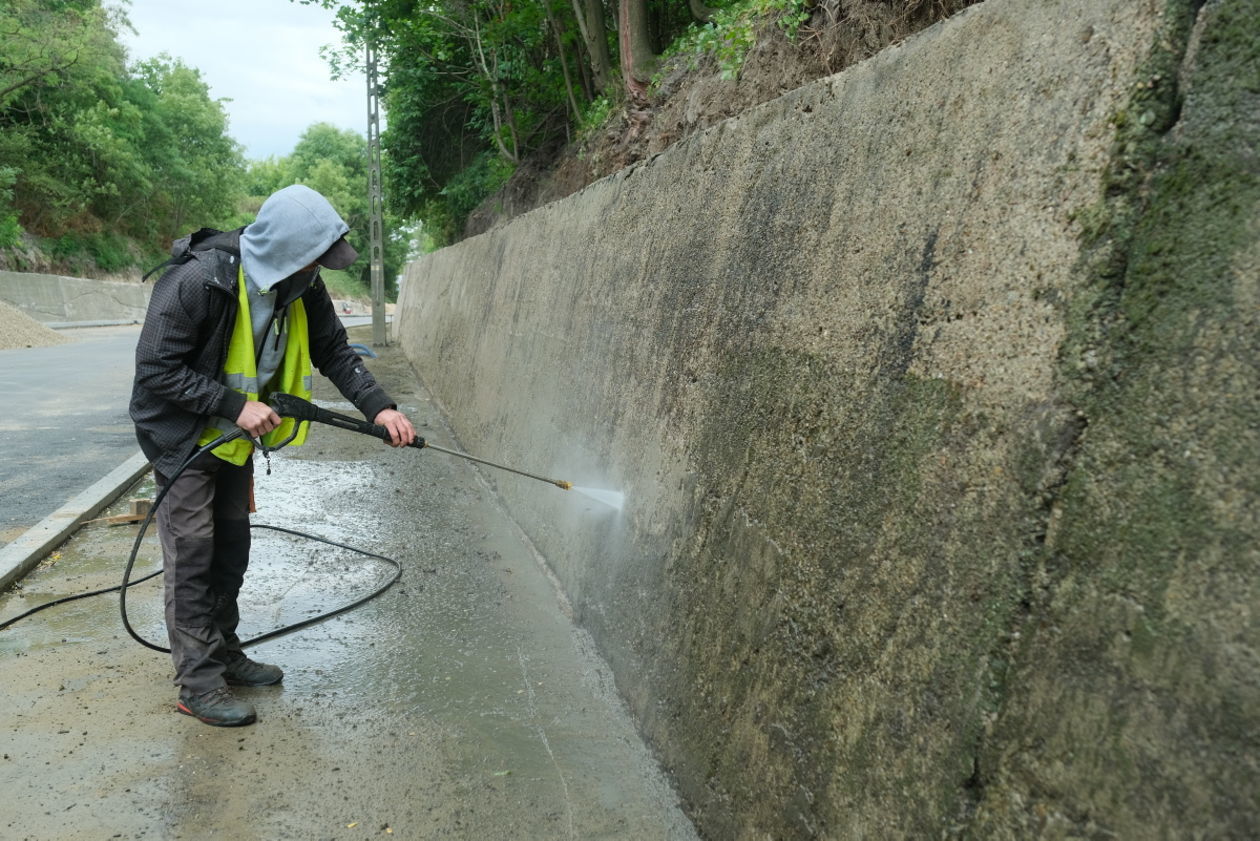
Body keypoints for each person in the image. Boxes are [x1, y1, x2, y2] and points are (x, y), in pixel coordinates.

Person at [130, 185, 415, 727]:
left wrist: (379, 408)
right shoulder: (197, 280)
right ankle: (198, 684)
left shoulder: (301, 284)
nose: (319, 269)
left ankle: (225, 653)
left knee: (231, 547)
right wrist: (234, 405)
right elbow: (155, 370)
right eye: (314, 257)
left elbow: (334, 348)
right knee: (193, 555)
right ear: (283, 247)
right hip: (183, 436)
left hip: (234, 440)